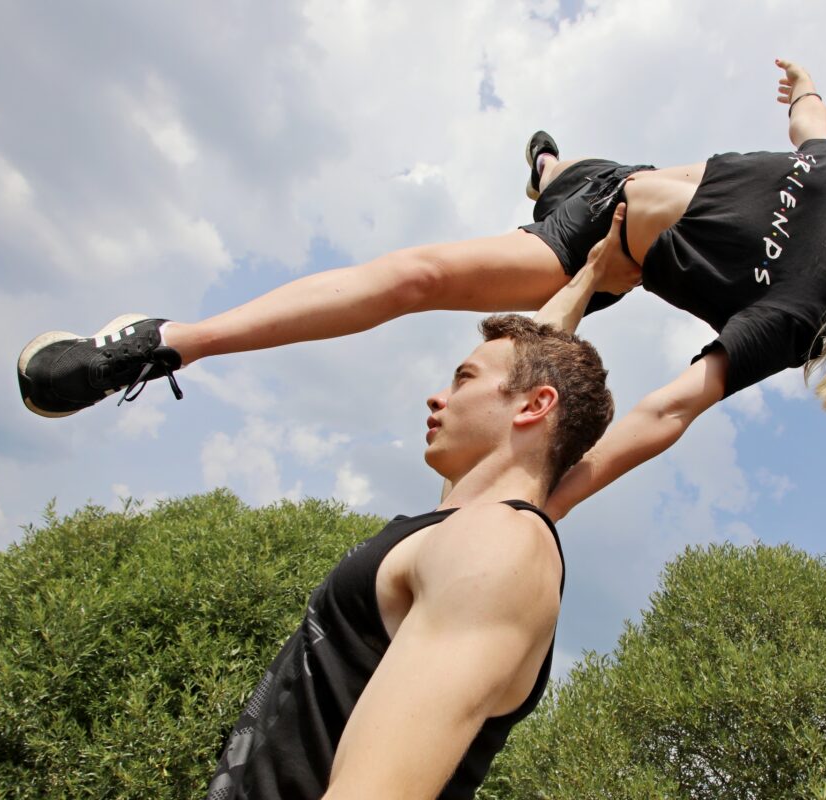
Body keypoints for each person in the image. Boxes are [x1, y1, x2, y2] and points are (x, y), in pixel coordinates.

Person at [17, 59, 826, 520]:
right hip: (606, 182)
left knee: (454, 294)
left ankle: (159, 342)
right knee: (524, 208)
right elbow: (817, 130)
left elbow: (673, 407)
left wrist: (549, 502)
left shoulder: (808, 323)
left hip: (590, 254)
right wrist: (803, 84)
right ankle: (544, 171)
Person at [206, 313, 612, 799]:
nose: (438, 396)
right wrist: (591, 269)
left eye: (464, 379)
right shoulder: (455, 524)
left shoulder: (501, 544)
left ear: (535, 404)